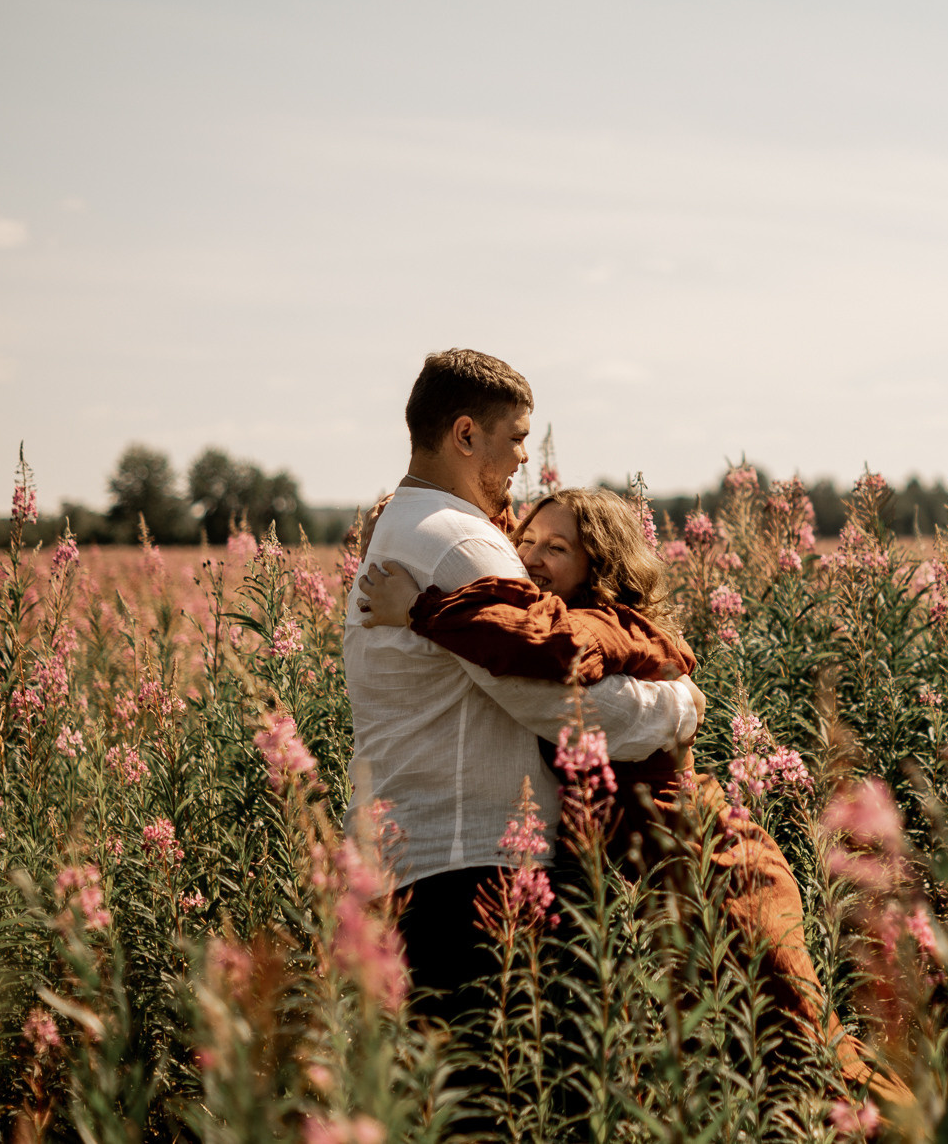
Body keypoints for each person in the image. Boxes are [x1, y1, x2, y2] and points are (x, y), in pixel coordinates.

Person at [357, 485, 882, 1090]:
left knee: (807, 1055)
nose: (530, 556)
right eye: (524, 541)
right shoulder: (548, 602)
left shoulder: (605, 625)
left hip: (709, 864)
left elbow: (540, 642)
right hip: (653, 879)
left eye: (558, 547)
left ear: (596, 567)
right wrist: (410, 515)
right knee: (724, 1072)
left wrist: (422, 609)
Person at [342, 350, 703, 1019]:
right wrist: (677, 706)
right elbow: (562, 701)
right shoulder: (458, 543)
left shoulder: (408, 527)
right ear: (465, 434)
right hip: (481, 869)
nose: (522, 462)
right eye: (514, 439)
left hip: (419, 866)